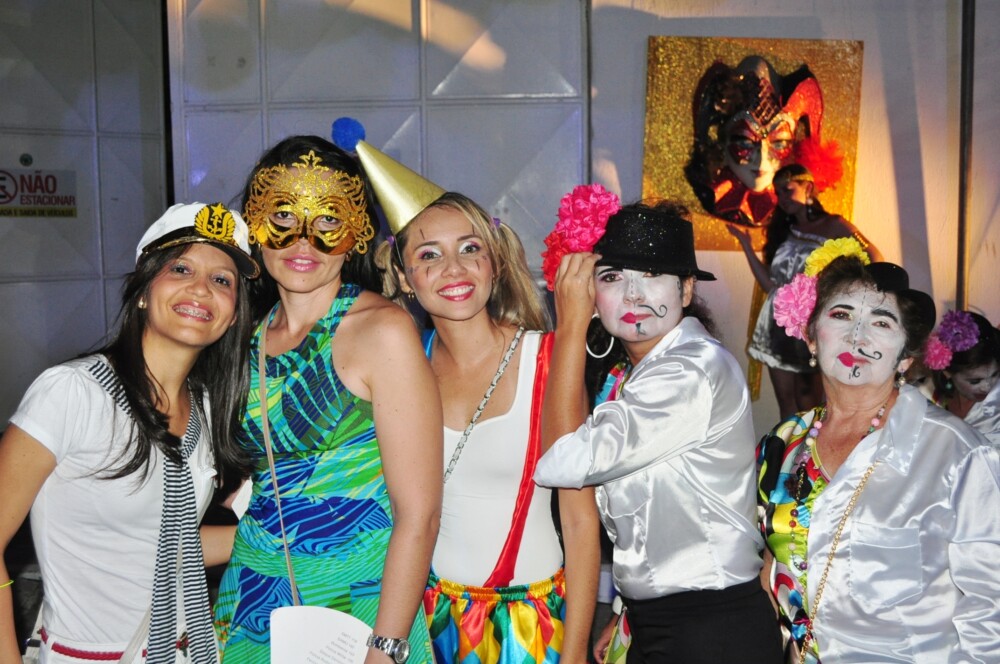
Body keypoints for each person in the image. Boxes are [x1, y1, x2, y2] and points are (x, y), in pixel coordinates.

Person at [358, 140, 601, 664]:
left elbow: (581, 521)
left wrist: (575, 654)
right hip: (421, 623)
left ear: (495, 263)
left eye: (470, 249)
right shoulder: (400, 366)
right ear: (404, 278)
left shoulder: (545, 359)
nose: (454, 268)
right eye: (428, 255)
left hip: (529, 628)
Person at [212, 136, 442, 664]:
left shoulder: (382, 330)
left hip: (362, 604)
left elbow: (420, 514)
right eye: (283, 215)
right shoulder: (242, 335)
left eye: (328, 220)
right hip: (251, 602)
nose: (303, 240)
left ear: (355, 232)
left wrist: (385, 647)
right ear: (256, 223)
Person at [0, 202, 258, 663]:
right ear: (143, 290)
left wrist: (291, 537)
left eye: (222, 280)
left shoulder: (207, 409)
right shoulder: (73, 393)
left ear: (234, 314)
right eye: (181, 269)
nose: (201, 288)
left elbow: (163, 545)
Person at [534, 194, 783, 664]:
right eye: (612, 277)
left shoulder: (691, 371)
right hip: (663, 621)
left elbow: (563, 462)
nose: (633, 294)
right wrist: (625, 611)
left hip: (713, 630)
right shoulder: (640, 376)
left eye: (652, 274)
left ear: (686, 291)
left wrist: (568, 330)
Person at [757, 239, 1000, 662]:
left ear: (905, 358)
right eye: (841, 314)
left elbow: (991, 613)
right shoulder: (783, 444)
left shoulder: (958, 454)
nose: (858, 334)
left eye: (882, 322)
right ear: (812, 338)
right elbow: (769, 572)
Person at [728, 164, 882, 419]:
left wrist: (850, 296)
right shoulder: (784, 230)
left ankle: (811, 447)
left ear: (807, 187)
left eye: (788, 190)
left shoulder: (834, 224)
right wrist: (746, 245)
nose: (782, 198)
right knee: (786, 405)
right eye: (778, 193)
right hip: (779, 323)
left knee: (809, 404)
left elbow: (874, 256)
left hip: (811, 323)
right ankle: (787, 447)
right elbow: (772, 287)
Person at [684, 55, 839, 227]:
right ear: (722, 144)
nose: (762, 158)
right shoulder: (713, 195)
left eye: (779, 143)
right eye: (745, 142)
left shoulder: (817, 219)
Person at [920, 310, 1000, 446]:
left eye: (995, 374)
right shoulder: (924, 397)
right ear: (947, 372)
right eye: (975, 381)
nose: (987, 386)